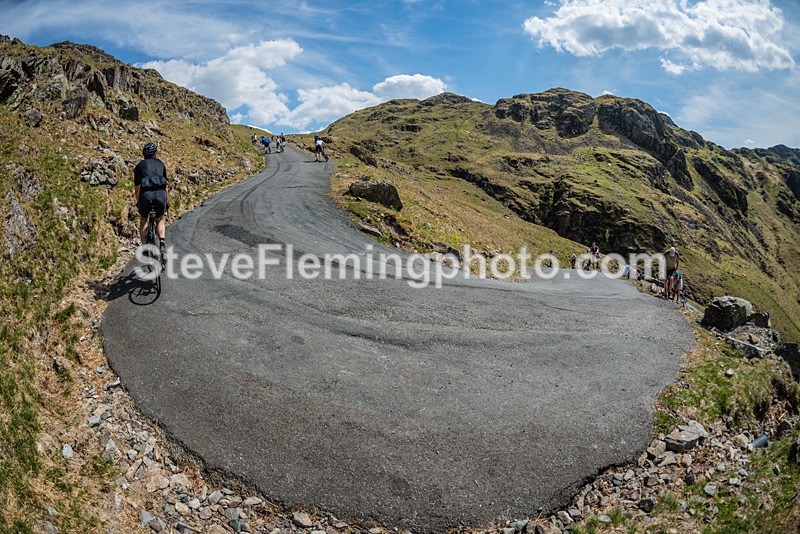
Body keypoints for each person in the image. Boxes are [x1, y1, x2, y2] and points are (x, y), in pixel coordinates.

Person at [134, 142, 168, 256]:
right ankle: (162, 242)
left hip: (145, 196)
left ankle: (145, 247)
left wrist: (138, 202)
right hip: (160, 196)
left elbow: (137, 188)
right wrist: (166, 202)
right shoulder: (161, 164)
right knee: (159, 219)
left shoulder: (139, 166)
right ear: (155, 154)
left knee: (144, 220)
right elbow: (165, 186)